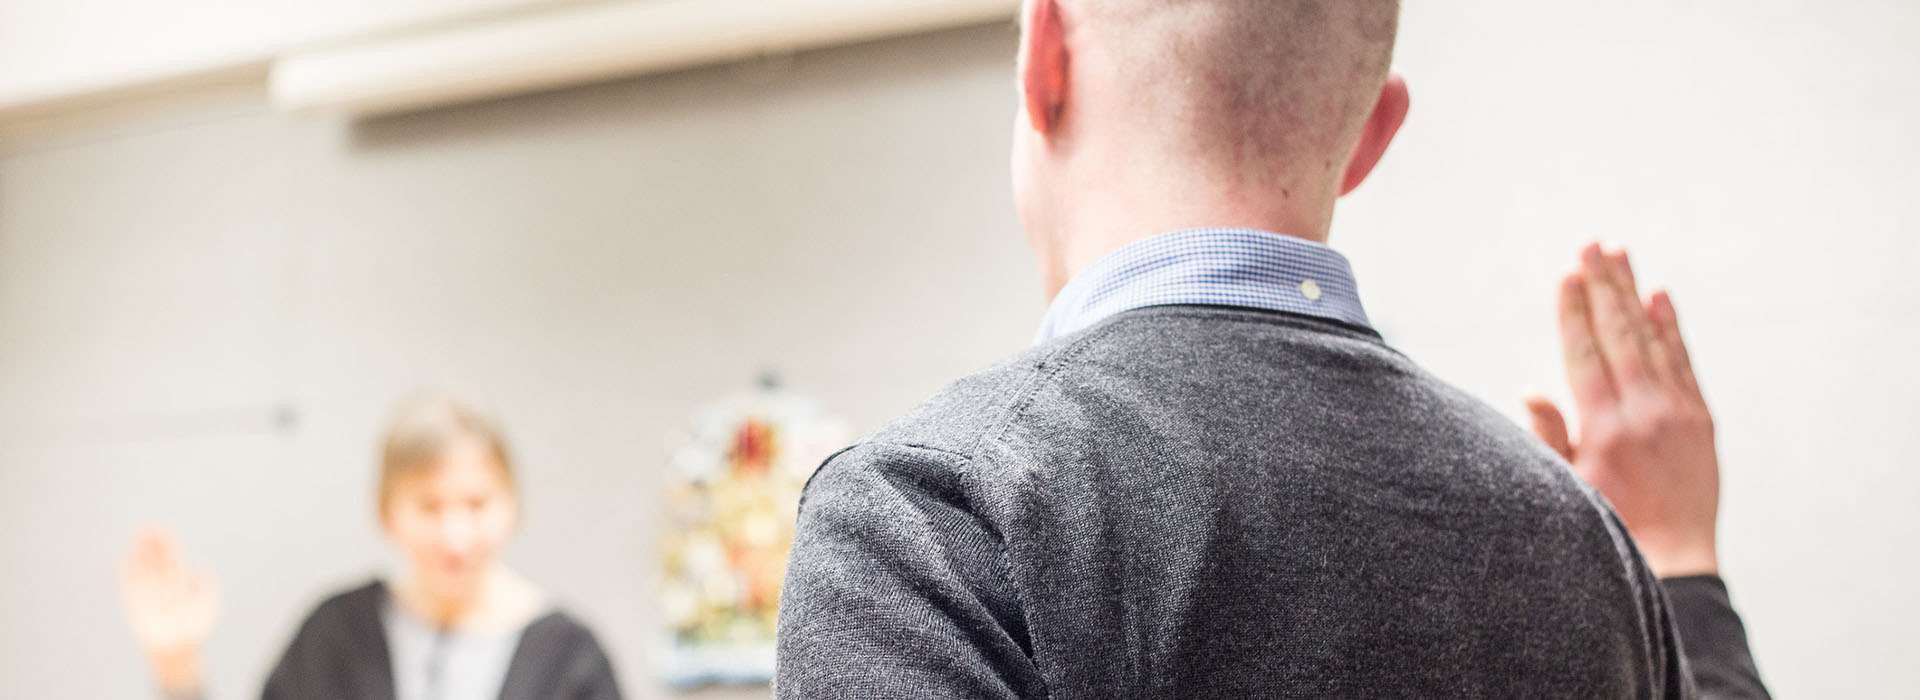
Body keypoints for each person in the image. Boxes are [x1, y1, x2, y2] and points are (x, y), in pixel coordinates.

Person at [774, 1, 1769, 698]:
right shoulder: (1587, 547)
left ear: (1046, 56)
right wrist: (1676, 567)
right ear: (1372, 132)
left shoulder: (929, 518)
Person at [120, 395, 622, 700]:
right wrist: (177, 666)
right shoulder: (334, 637)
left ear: (512, 505)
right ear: (387, 512)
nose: (455, 536)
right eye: (429, 507)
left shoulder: (570, 658)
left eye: (476, 504)